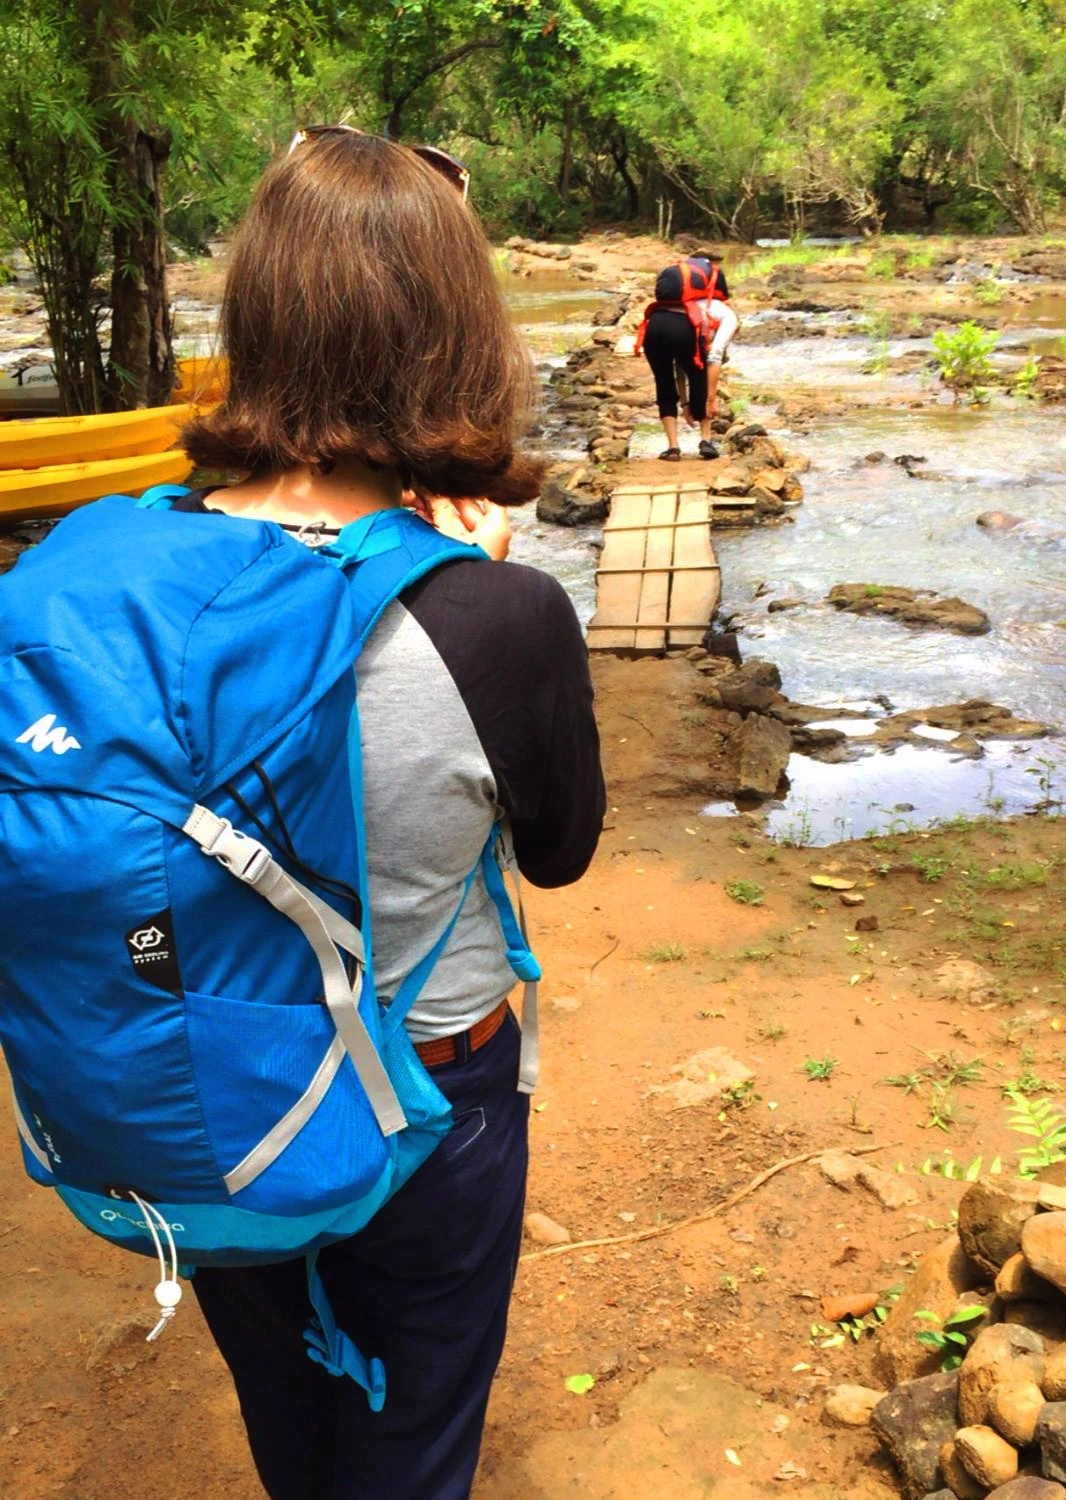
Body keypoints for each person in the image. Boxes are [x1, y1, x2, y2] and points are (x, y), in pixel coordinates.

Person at [175, 127, 606, 1500]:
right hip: (430, 1094)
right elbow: (560, 851)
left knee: (284, 1402)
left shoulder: (130, 583)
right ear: (457, 331)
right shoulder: (501, 616)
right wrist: (476, 581)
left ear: (256, 318)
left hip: (213, 1087)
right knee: (411, 1437)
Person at [634, 249, 734, 461]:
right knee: (699, 380)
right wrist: (711, 399)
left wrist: (685, 403)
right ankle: (706, 440)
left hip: (655, 326)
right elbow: (713, 358)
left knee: (664, 384)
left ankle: (673, 447)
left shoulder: (689, 303)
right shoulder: (727, 315)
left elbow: (679, 367)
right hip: (682, 331)